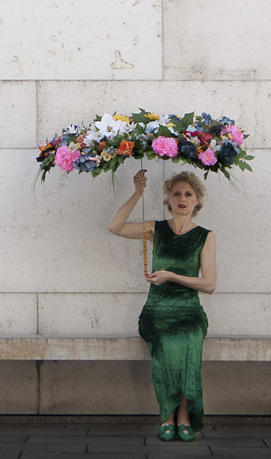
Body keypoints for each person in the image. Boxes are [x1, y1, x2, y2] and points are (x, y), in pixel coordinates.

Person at [108, 168, 217, 443]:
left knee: (190, 338)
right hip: (157, 310)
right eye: (176, 193)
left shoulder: (205, 236)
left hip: (189, 311)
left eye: (188, 194)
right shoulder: (156, 229)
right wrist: (137, 192)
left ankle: (183, 415)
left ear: (197, 201)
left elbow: (210, 285)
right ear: (168, 198)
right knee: (167, 342)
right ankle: (166, 416)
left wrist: (171, 275)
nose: (182, 198)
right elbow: (115, 227)